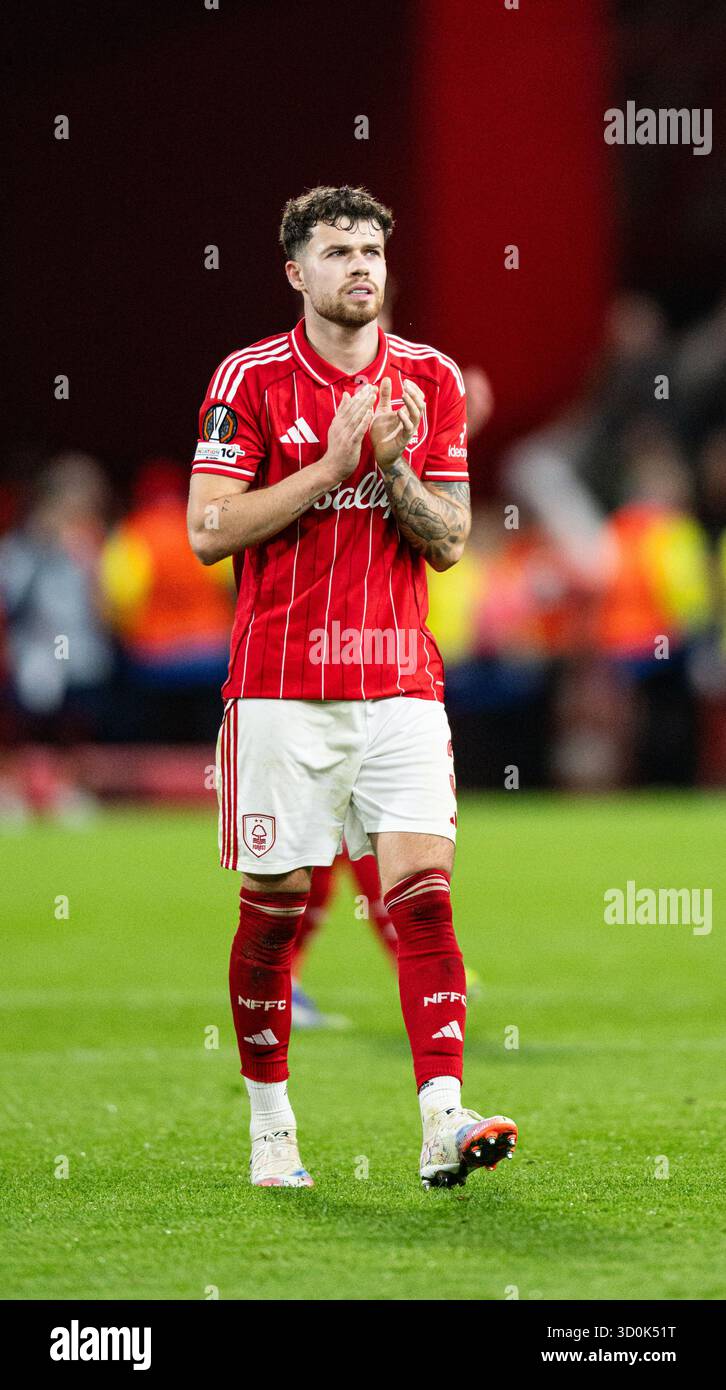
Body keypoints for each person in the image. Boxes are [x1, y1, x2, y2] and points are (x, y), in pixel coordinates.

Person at [186, 184, 517, 1189]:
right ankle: (272, 1124)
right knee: (278, 904)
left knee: (422, 904)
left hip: (403, 686)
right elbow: (209, 531)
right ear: (297, 272)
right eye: (336, 252)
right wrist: (334, 464)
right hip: (282, 687)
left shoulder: (429, 381)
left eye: (371, 248)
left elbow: (452, 540)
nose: (359, 266)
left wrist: (396, 465)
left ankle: (442, 1120)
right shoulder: (248, 380)